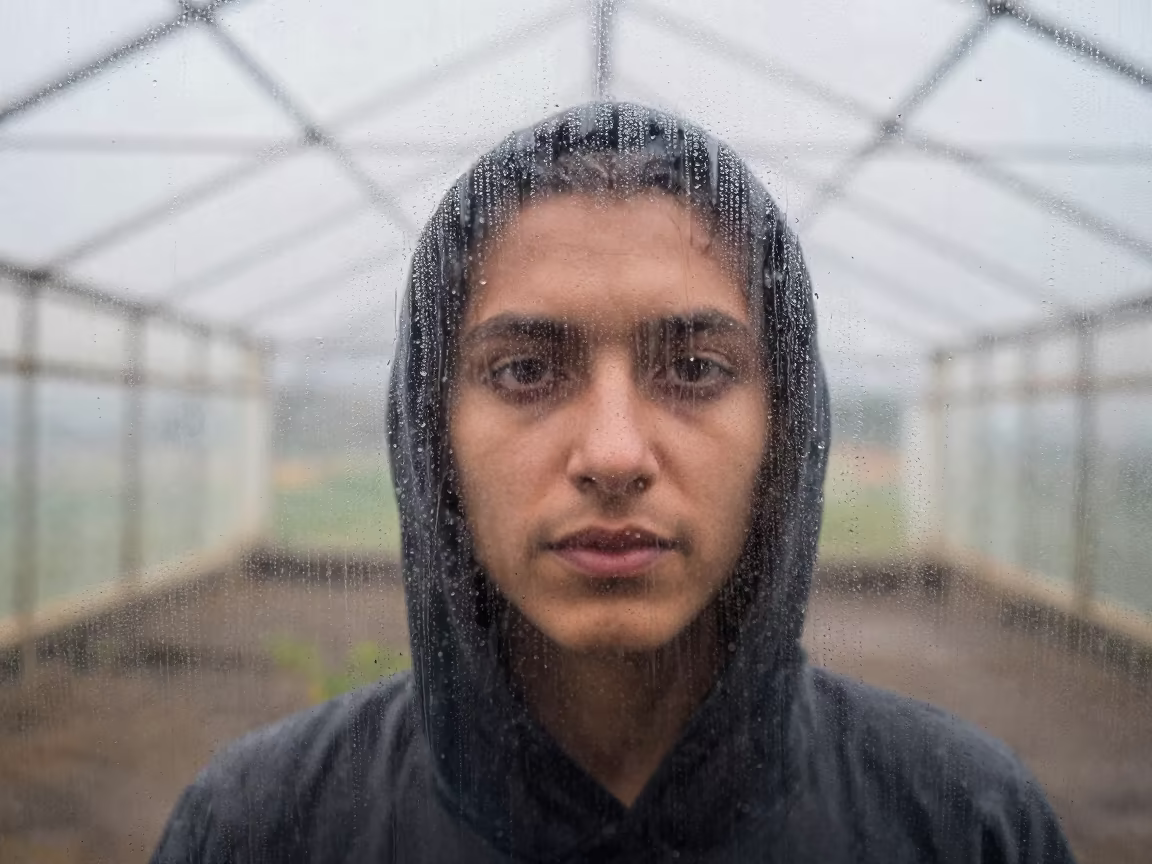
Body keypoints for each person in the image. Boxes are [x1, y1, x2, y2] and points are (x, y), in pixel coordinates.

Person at [151, 103, 1075, 863]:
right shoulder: (263, 830)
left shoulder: (963, 824)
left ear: (784, 428)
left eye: (697, 368)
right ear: (433, 435)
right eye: (524, 371)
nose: (614, 453)